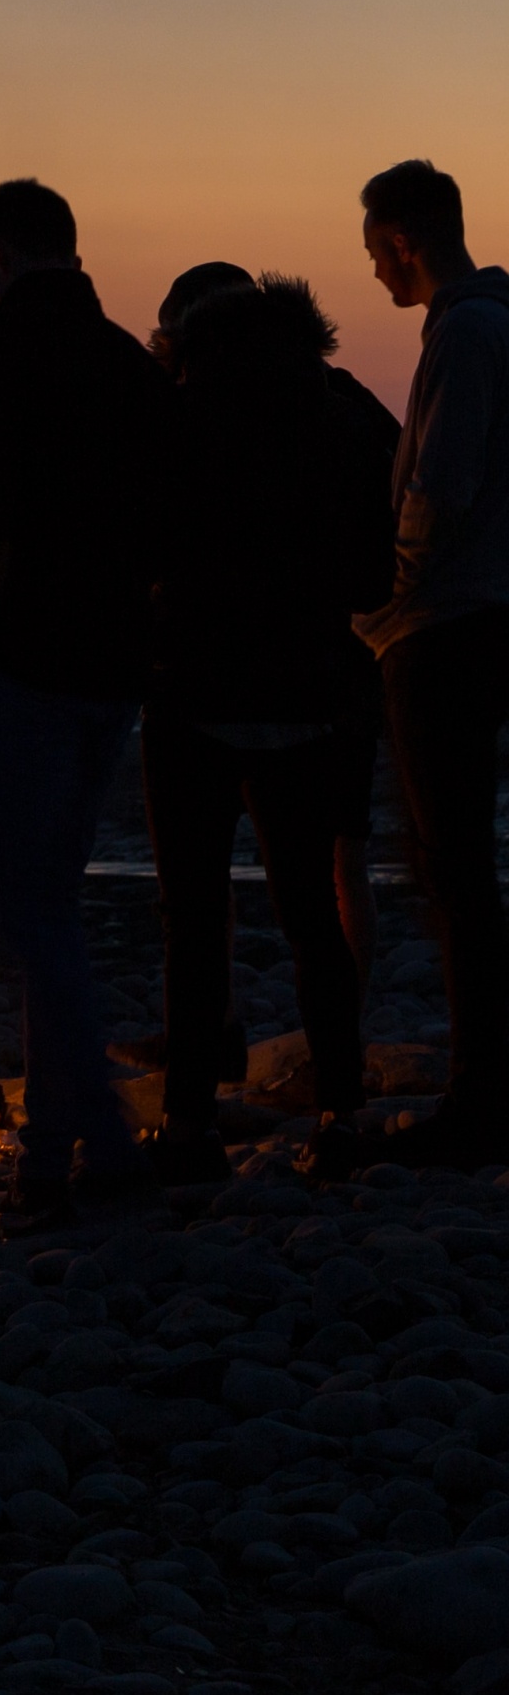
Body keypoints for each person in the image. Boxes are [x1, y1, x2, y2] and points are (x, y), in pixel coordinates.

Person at [0, 178, 172, 1219]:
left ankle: (103, 1142)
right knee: (54, 901)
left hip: (26, 658)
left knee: (34, 906)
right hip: (115, 665)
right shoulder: (128, 361)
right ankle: (47, 1145)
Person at [143, 275, 396, 1185]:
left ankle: (188, 1123)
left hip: (193, 698)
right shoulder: (342, 420)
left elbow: (141, 553)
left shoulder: (174, 423)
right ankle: (341, 1113)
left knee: (193, 917)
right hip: (309, 701)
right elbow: (373, 578)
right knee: (311, 921)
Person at [355, 158, 509, 1169]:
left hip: (446, 626)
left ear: (406, 239)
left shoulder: (464, 331)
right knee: (463, 866)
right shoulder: (492, 322)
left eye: (376, 253)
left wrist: (383, 594)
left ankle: (481, 1098)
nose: (372, 272)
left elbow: (440, 488)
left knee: (452, 869)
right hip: (481, 616)